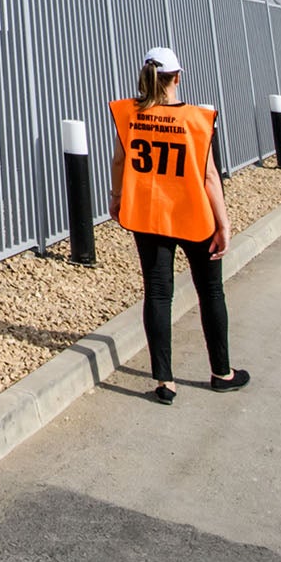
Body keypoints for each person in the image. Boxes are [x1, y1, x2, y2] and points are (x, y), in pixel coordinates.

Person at [109, 47, 250, 405]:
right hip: (194, 215)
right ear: (178, 77)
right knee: (210, 292)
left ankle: (164, 381)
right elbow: (210, 176)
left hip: (149, 215)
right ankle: (222, 373)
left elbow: (120, 161)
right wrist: (224, 223)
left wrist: (116, 198)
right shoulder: (197, 118)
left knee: (158, 293)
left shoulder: (129, 115)